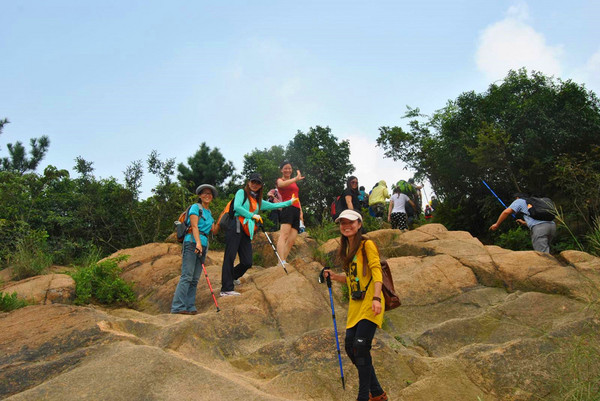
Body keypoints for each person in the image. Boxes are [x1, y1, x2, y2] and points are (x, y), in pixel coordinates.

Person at [323, 209, 388, 401]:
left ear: (359, 224)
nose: (346, 226)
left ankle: (363, 397)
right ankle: (377, 393)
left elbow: (377, 273)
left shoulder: (367, 245)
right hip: (355, 305)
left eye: (350, 222)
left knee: (360, 346)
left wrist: (376, 298)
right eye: (343, 223)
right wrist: (334, 277)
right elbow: (353, 279)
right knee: (350, 347)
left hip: (370, 302)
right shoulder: (346, 249)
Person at [220, 172, 298, 296]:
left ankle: (233, 276)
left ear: (261, 185)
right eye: (253, 182)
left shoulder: (258, 200)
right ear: (248, 182)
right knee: (230, 257)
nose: (255, 184)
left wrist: (289, 202)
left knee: (247, 261)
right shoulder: (242, 193)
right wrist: (252, 215)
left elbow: (274, 205)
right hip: (235, 226)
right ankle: (226, 288)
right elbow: (237, 207)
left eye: (258, 183)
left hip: (246, 230)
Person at [171, 184, 218, 315]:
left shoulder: (209, 213)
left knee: (195, 278)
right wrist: (197, 243)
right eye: (204, 193)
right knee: (187, 275)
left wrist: (227, 214)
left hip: (203, 244)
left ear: (212, 197)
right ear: (199, 195)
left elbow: (214, 230)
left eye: (209, 194)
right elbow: (194, 226)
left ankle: (190, 306)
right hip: (192, 242)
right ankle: (177, 307)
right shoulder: (195, 208)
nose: (207, 195)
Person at [489, 193, 556, 253]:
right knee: (546, 250)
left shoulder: (519, 201)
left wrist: (497, 224)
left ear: (517, 198)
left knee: (542, 254)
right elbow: (537, 219)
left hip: (540, 229)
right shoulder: (534, 203)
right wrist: (524, 223)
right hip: (552, 226)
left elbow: (506, 212)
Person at [276, 160, 305, 266]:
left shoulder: (293, 182)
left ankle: (283, 260)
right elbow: (282, 184)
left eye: (289, 168)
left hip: (296, 209)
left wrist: (301, 212)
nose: (288, 170)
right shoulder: (280, 180)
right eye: (285, 168)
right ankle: (280, 261)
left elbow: (297, 197)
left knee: (292, 239)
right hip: (287, 208)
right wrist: (295, 179)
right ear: (281, 170)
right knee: (284, 235)